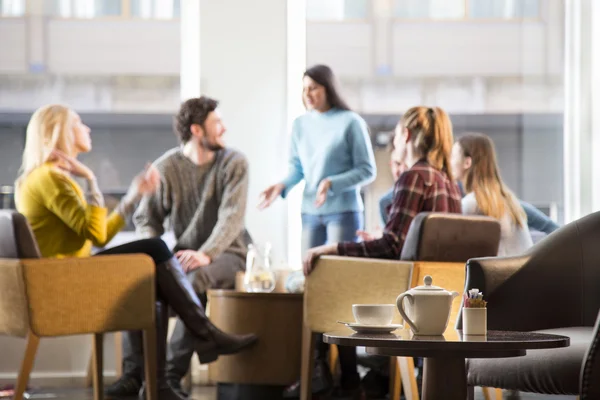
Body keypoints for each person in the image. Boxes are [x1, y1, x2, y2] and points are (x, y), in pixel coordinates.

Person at [15, 104, 257, 400]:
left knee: (148, 283)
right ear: (60, 132)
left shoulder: (45, 178)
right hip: (67, 277)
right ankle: (202, 338)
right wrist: (91, 180)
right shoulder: (51, 179)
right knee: (153, 251)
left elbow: (97, 232)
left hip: (68, 272)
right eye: (79, 123)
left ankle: (158, 384)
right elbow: (98, 233)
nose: (87, 128)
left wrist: (131, 196)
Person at [106, 96, 253, 398]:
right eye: (217, 123)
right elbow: (147, 218)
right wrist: (153, 252)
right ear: (197, 130)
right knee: (141, 284)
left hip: (230, 252)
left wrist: (206, 253)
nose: (224, 128)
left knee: (194, 279)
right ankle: (137, 374)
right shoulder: (167, 167)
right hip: (186, 254)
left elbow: (231, 218)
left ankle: (170, 375)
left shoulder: (234, 163)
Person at [258, 64, 376, 399]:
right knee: (314, 285)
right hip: (310, 213)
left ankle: (351, 375)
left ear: (328, 88)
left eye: (314, 88)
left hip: (344, 213)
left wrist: (331, 182)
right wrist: (281, 185)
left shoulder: (350, 122)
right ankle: (318, 370)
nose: (308, 95)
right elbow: (297, 168)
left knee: (341, 289)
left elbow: (367, 169)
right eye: (304, 88)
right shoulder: (300, 125)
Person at [303, 105, 462, 270]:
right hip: (443, 284)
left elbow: (391, 247)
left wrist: (334, 248)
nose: (394, 141)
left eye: (396, 135)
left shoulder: (414, 177)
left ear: (406, 135)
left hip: (415, 287)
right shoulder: (449, 182)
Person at [451, 132, 533, 256]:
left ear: (467, 163)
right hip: (525, 273)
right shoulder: (508, 200)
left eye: (452, 156)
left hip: (504, 274)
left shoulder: (472, 204)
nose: (448, 162)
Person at [378, 140, 408, 225]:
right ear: (391, 165)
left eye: (406, 164)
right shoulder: (385, 203)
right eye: (398, 164)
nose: (402, 169)